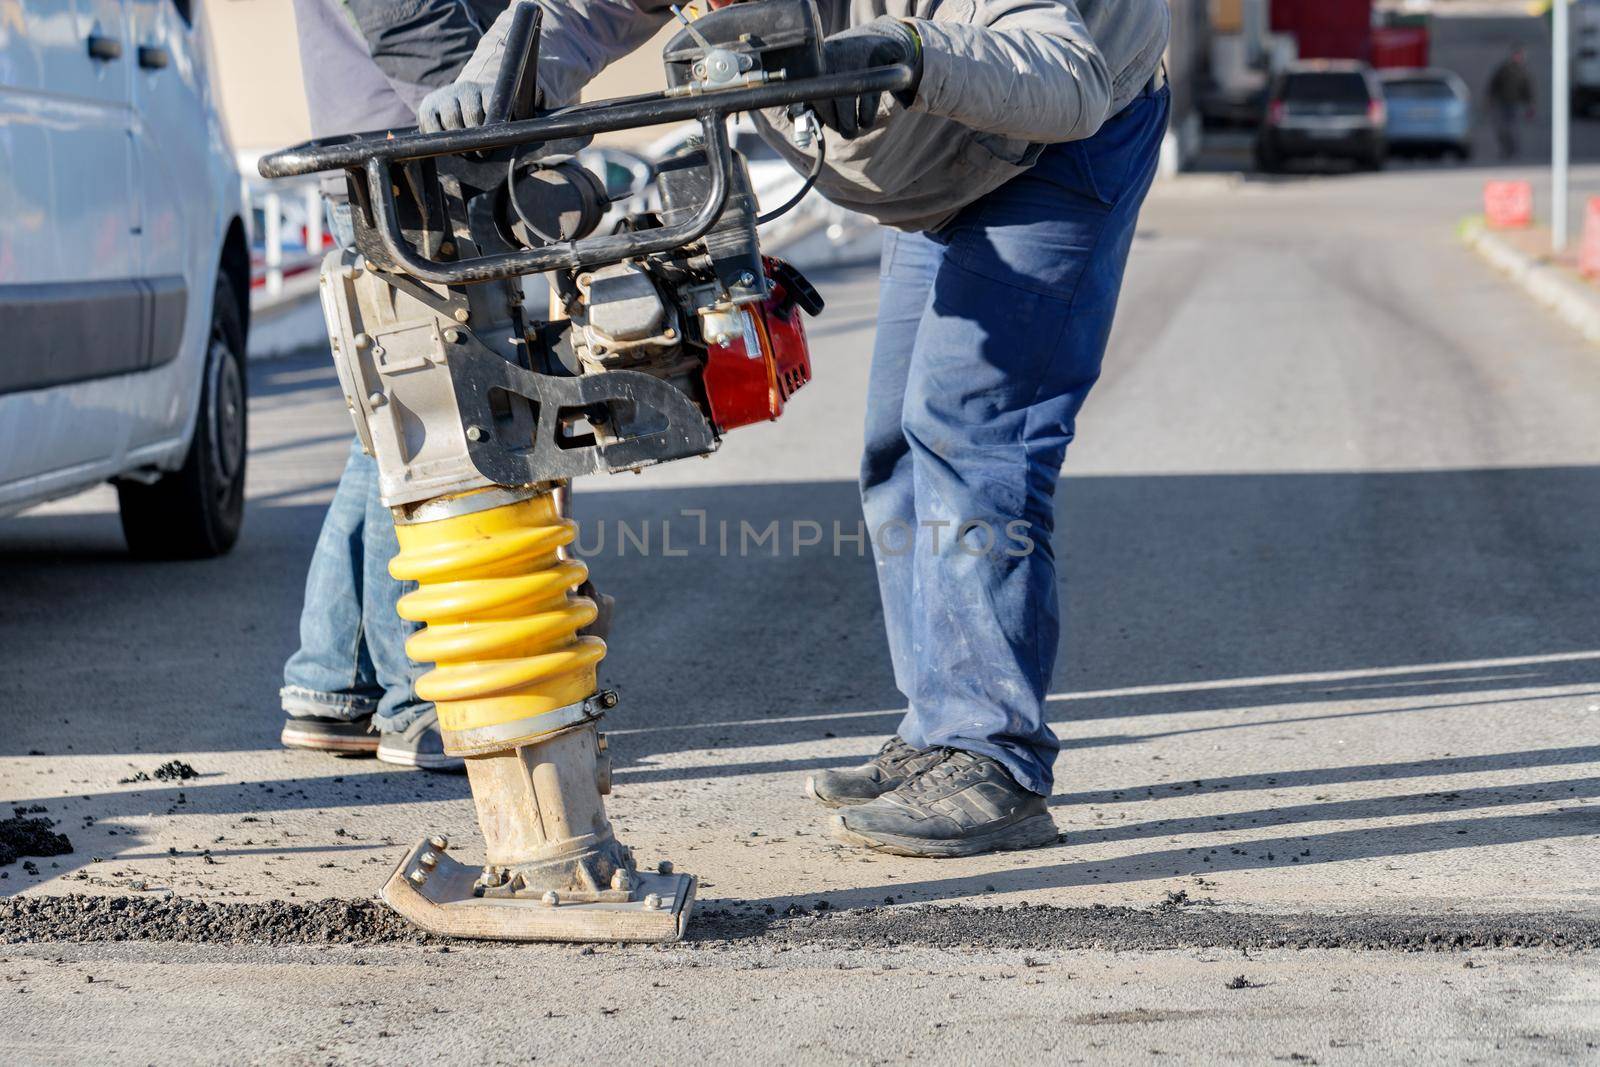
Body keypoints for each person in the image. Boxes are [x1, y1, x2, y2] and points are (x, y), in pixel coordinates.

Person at [421, 0, 1170, 854]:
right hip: (935, 149)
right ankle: (940, 731)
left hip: (1056, 141)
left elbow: (1063, 73)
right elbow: (585, 11)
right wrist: (490, 86)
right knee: (896, 441)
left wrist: (911, 51)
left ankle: (992, 754)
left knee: (972, 428)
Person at [278, 0, 515, 772]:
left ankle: (334, 679)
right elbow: (408, 17)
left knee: (388, 423)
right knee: (423, 420)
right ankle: (419, 699)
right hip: (415, 147)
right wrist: (499, 115)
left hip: (396, 137)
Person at [1487, 45, 1535, 161]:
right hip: (1502, 103)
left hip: (1515, 104)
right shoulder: (1504, 69)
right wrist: (1490, 100)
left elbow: (1528, 90)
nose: (1518, 58)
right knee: (1502, 129)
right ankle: (1506, 149)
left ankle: (1514, 150)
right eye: (1517, 55)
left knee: (1513, 128)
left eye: (1520, 56)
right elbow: (1493, 85)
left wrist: (1530, 106)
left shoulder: (1523, 72)